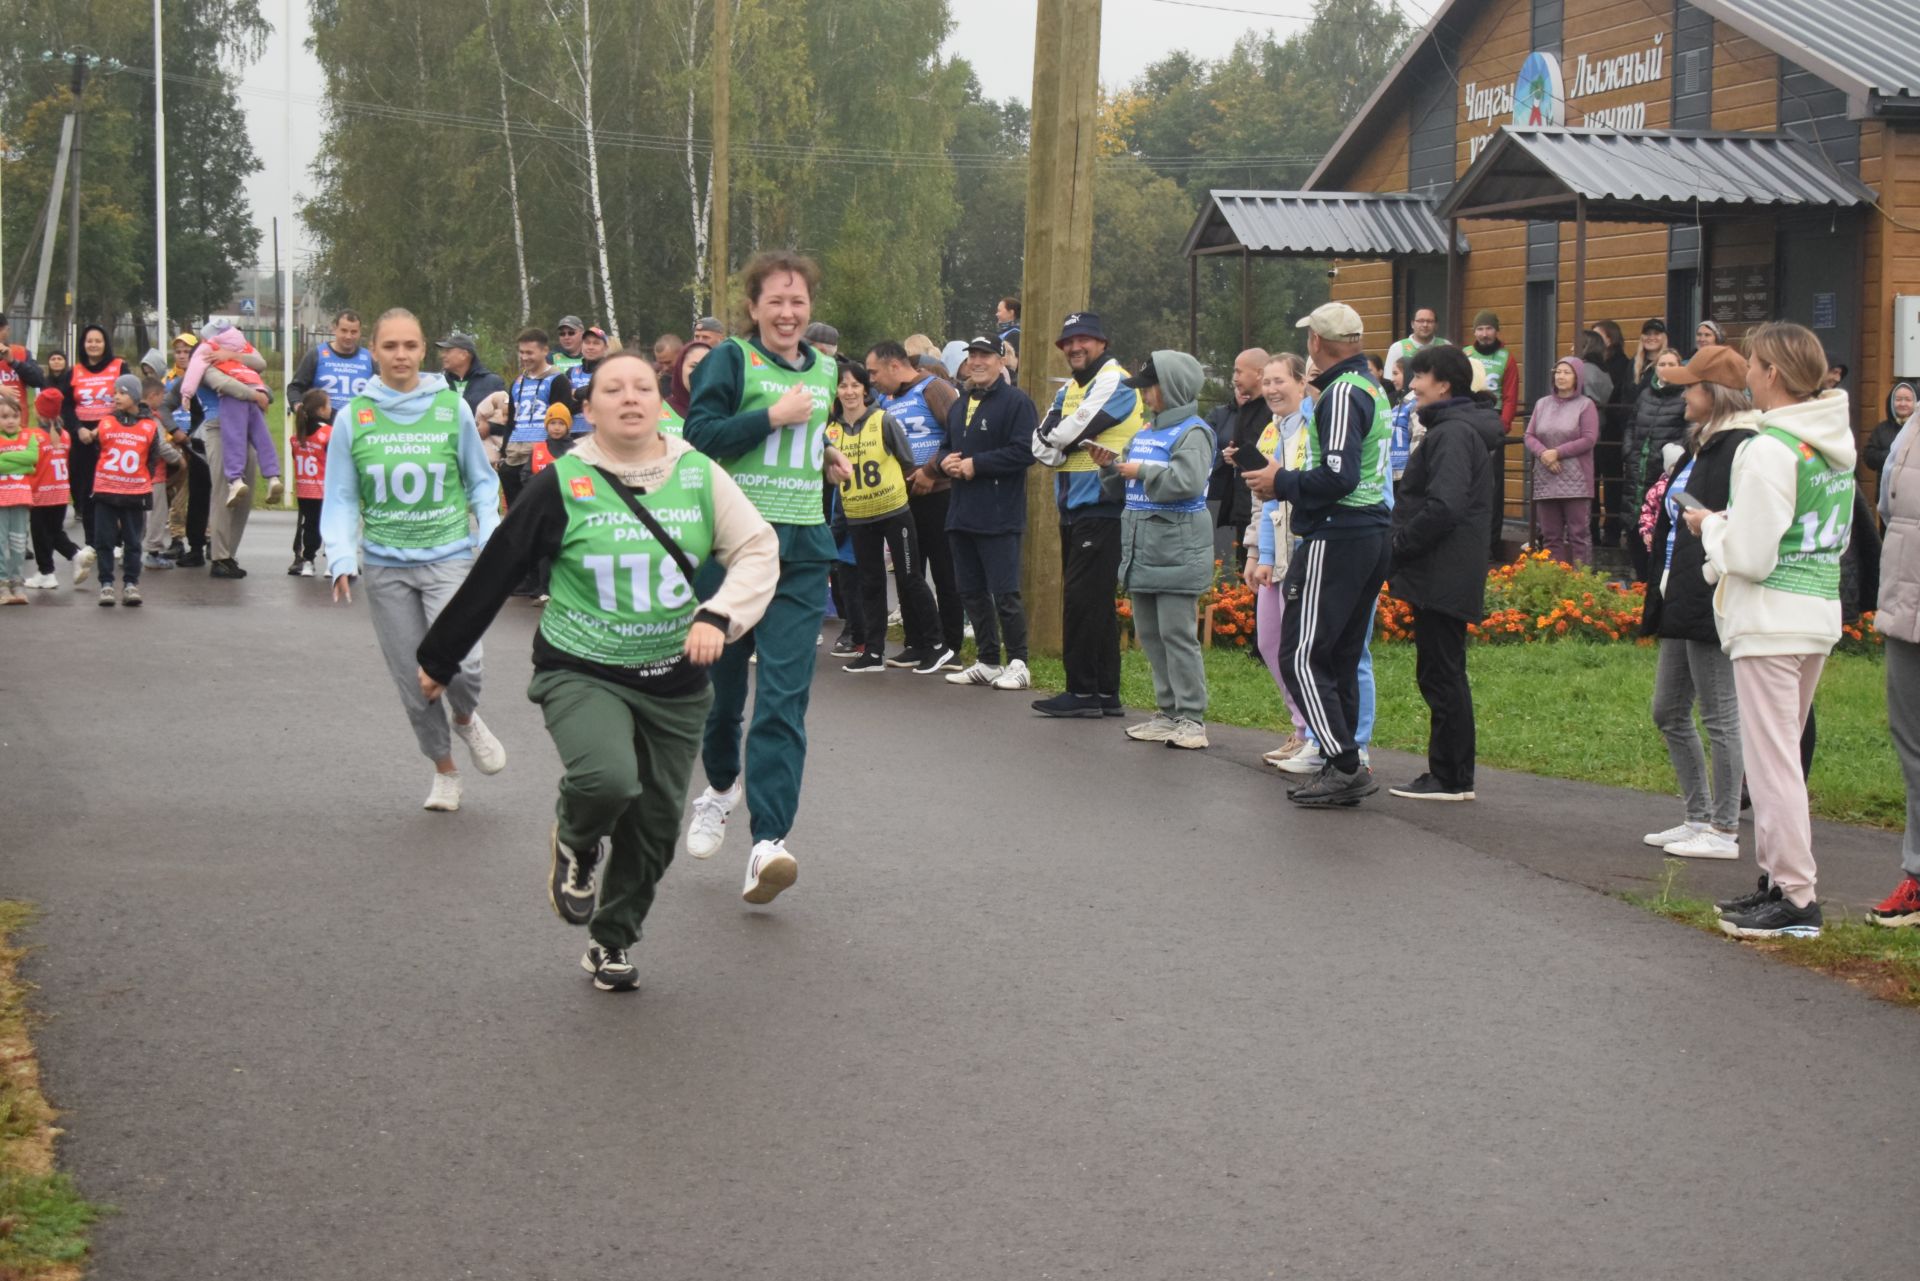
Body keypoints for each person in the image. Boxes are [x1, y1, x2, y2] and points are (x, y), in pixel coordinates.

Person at [414, 351, 779, 992]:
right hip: (582, 669)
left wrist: (719, 616)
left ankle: (610, 941)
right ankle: (578, 841)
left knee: (656, 827)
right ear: (589, 409)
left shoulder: (698, 474)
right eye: (614, 389)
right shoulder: (563, 481)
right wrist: (441, 656)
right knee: (607, 779)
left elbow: (757, 548)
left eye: (644, 387)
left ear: (661, 403)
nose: (632, 398)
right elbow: (500, 565)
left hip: (674, 680)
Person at [681, 250, 852, 905]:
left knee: (783, 700)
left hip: (802, 551)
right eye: (775, 301)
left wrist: (822, 453)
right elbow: (700, 439)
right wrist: (773, 419)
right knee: (724, 699)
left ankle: (768, 843)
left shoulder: (829, 366)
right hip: (731, 551)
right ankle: (721, 789)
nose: (787, 312)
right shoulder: (731, 360)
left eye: (798, 302)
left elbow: (802, 437)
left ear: (810, 309)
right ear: (752, 308)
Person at [1688, 322, 1854, 940]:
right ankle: (1777, 882)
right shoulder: (1830, 441)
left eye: (1753, 365)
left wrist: (1710, 529)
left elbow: (1754, 556)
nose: (1747, 375)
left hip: (1768, 620)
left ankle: (1795, 895)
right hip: (1814, 612)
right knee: (1779, 757)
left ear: (1773, 375)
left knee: (1773, 764)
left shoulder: (1767, 449)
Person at [323, 308, 507, 813]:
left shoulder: (451, 408)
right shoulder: (353, 416)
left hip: (448, 556)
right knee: (413, 678)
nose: (400, 355)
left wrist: (491, 538)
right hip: (385, 567)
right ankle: (444, 770)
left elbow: (480, 481)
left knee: (462, 664)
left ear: (423, 351)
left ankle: (466, 718)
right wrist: (341, 555)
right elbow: (339, 496)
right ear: (374, 353)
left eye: (409, 346)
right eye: (389, 347)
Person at [1246, 302, 1393, 807]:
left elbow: (1338, 476)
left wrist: (1279, 481)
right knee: (1341, 653)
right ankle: (1342, 759)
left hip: (1340, 532)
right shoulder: (1371, 386)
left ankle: (1343, 761)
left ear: (1315, 343)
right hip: (1370, 531)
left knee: (1303, 652)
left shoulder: (1340, 394)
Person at [1639, 346, 1758, 859]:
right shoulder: (1702, 441)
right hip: (1680, 588)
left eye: (1691, 386)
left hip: (1712, 589)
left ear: (1714, 393)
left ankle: (1725, 828)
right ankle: (1698, 816)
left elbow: (1738, 519)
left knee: (1719, 714)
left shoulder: (1740, 447)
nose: (1682, 393)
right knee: (1668, 709)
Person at [1385, 343, 1501, 801]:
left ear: (1445, 385)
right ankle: (1450, 772)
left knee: (1442, 672)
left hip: (1443, 570)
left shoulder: (1452, 433)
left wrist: (1399, 544)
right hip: (1445, 568)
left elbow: (1444, 505)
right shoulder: (1455, 428)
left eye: (1420, 377)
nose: (1412, 385)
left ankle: (1451, 776)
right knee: (1441, 669)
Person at [1028, 311, 1146, 717]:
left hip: (1104, 505)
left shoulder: (1114, 379)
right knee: (1093, 603)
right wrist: (1064, 440)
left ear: (1103, 344)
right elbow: (1040, 447)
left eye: (1085, 340)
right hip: (1073, 507)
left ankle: (1081, 693)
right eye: (1068, 342)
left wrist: (1063, 440)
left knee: (1083, 600)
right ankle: (1104, 693)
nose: (1075, 347)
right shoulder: (1070, 390)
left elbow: (1062, 435)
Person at [1093, 351, 1213, 750]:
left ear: (1173, 387)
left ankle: (1192, 718)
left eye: (1150, 386)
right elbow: (1122, 488)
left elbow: (1189, 482)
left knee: (1178, 634)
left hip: (1177, 551)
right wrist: (1110, 468)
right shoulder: (1145, 432)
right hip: (1142, 551)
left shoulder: (1193, 432)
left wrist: (1140, 471)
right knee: (1150, 634)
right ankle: (1167, 712)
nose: (1144, 394)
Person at [828, 358, 946, 673]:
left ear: (866, 390)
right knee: (871, 583)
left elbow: (908, 462)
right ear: (836, 391)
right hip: (858, 516)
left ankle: (937, 644)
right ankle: (874, 652)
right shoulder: (831, 431)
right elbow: (828, 476)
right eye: (843, 385)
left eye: (856, 385)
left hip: (894, 511)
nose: (849, 391)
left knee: (910, 578)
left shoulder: (882, 420)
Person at [934, 336, 1037, 690]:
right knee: (971, 590)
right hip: (961, 511)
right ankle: (989, 659)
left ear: (1001, 361)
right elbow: (948, 446)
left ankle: (1019, 662)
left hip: (999, 513)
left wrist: (978, 465)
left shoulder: (1017, 403)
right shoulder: (961, 403)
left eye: (985, 356)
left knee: (1005, 592)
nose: (977, 362)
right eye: (973, 356)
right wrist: (942, 461)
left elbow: (1025, 452)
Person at [866, 339, 967, 666]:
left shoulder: (934, 388)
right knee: (909, 571)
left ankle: (950, 646)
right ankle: (918, 641)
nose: (872, 380)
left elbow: (958, 437)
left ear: (894, 365)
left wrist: (930, 471)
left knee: (944, 570)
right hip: (902, 497)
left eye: (874, 372)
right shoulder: (884, 398)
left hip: (939, 493)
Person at [1244, 355, 1314, 766]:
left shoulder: (1315, 427)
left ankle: (1312, 732)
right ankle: (1300, 724)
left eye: (1279, 381)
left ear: (1301, 383)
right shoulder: (1270, 431)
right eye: (1265, 382)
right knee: (1270, 642)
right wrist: (1258, 553)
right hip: (1275, 555)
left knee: (1301, 647)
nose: (1271, 389)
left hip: (1306, 551)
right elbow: (1262, 501)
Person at [1870, 401, 1920, 928]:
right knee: (1912, 746)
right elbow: (1887, 504)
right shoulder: (1912, 424)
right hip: (1907, 603)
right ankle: (1917, 877)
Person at [89, 374, 181, 607]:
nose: (117, 397)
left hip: (134, 493)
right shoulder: (107, 421)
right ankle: (107, 584)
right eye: (115, 393)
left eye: (122, 393)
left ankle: (131, 583)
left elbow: (152, 458)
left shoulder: (149, 426)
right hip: (106, 490)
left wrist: (141, 481)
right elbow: (99, 450)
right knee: (105, 541)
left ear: (135, 396)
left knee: (133, 541)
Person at [183, 322, 285, 508]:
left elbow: (197, 370)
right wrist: (256, 394)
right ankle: (273, 477)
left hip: (233, 398)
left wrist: (187, 393)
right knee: (262, 437)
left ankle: (235, 480)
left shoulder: (208, 350)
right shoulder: (241, 346)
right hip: (256, 391)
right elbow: (261, 363)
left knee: (233, 437)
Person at [1524, 356, 1600, 566]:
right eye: (1558, 372)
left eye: (1567, 372)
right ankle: (1555, 581)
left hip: (1576, 480)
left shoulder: (1586, 405)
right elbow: (1529, 435)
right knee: (1550, 536)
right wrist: (1544, 454)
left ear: (1577, 377)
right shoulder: (1542, 404)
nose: (1561, 376)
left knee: (1579, 534)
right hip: (1546, 477)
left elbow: (1589, 438)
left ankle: (1580, 582)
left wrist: (1557, 452)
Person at [57, 324, 126, 548]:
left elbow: (128, 400)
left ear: (105, 343)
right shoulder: (74, 371)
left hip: (113, 436)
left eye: (98, 340)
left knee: (113, 488)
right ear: (83, 344)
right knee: (87, 490)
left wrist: (103, 427)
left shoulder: (119, 367)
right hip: (83, 438)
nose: (93, 345)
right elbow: (65, 406)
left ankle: (117, 541)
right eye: (89, 341)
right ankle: (91, 542)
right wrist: (78, 429)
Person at [1624, 347, 1689, 580]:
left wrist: (1669, 459)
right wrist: (1629, 451)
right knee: (1634, 525)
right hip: (1636, 471)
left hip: (1663, 472)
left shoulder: (1685, 396)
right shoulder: (1645, 395)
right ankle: (1641, 581)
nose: (1667, 369)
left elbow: (1688, 432)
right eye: (1662, 364)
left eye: (1672, 364)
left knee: (1659, 526)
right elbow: (1631, 425)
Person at [502, 329, 578, 512]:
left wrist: (556, 450)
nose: (524, 357)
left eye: (529, 352)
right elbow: (511, 420)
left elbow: (561, 419)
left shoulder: (557, 379)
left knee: (538, 511)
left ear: (545, 351)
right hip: (514, 453)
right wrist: (502, 451)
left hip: (540, 454)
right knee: (515, 513)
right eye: (521, 352)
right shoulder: (517, 382)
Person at [23, 388, 80, 590]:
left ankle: (49, 570)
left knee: (41, 534)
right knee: (54, 531)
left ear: (39, 412)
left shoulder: (33, 436)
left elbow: (30, 465)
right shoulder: (64, 435)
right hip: (60, 492)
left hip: (41, 493)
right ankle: (56, 566)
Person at [289, 389, 333, 576]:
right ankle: (332, 562)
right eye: (329, 405)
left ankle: (308, 560)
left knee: (310, 525)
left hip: (304, 490)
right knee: (331, 525)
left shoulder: (297, 436)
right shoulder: (328, 433)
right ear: (322, 410)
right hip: (324, 489)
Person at [289, 309, 375, 403]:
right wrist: (298, 406)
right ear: (335, 329)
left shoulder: (370, 358)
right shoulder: (316, 354)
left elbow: (385, 390)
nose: (348, 336)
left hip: (359, 416)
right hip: (324, 417)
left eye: (353, 332)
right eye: (344, 331)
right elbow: (295, 388)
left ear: (360, 332)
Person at [0, 394, 37, 604]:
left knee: (18, 542)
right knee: (0, 542)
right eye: (4, 416)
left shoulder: (28, 437)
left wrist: (5, 457)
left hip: (21, 498)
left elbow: (32, 458)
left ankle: (17, 581)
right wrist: (22, 465)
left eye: (15, 416)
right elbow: (22, 463)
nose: (11, 421)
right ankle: (2, 583)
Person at [436, 331, 507, 424]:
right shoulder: (439, 385)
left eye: (448, 351)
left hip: (479, 438)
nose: (442, 356)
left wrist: (489, 428)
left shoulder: (493, 383)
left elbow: (507, 418)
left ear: (464, 355)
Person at [1465, 311, 1519, 432]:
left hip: (1494, 414)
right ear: (1474, 332)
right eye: (1480, 329)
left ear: (1496, 330)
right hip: (1467, 412)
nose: (1484, 334)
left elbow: (1510, 397)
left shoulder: (1506, 357)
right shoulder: (1465, 354)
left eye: (1489, 328)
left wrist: (1503, 424)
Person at [1382, 307, 1446, 397]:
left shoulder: (1445, 346)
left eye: (1430, 321)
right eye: (1420, 321)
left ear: (1436, 325)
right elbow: (1389, 380)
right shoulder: (1397, 348)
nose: (1425, 325)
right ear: (1412, 324)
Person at [1862, 382, 1915, 482]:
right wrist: (1891, 456)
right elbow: (1868, 457)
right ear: (1891, 402)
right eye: (1898, 399)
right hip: (1887, 489)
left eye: (1908, 400)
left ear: (1916, 402)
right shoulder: (1881, 429)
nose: (1903, 404)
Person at [0, 318, 47, 421]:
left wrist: (13, 362)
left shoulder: (21, 353)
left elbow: (39, 380)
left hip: (18, 424)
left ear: (7, 330)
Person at [661, 340, 711, 435]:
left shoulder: (726, 411)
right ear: (680, 368)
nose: (701, 372)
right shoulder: (657, 411)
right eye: (694, 366)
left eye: (708, 366)